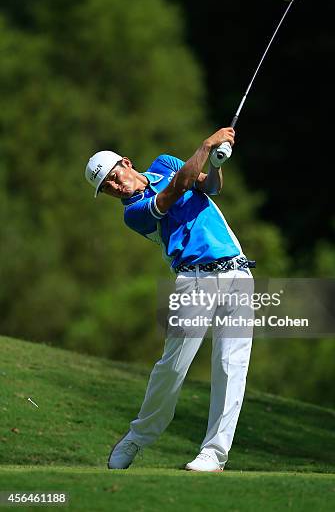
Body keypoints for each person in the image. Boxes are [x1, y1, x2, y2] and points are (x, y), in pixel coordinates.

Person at [84, 128, 254, 472]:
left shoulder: (165, 162)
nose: (115, 188)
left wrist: (217, 162)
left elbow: (209, 187)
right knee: (172, 368)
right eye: (107, 188)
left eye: (113, 178)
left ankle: (213, 454)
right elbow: (177, 189)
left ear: (126, 164)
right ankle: (137, 437)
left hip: (238, 272)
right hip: (194, 279)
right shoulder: (133, 213)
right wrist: (207, 145)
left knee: (230, 367)